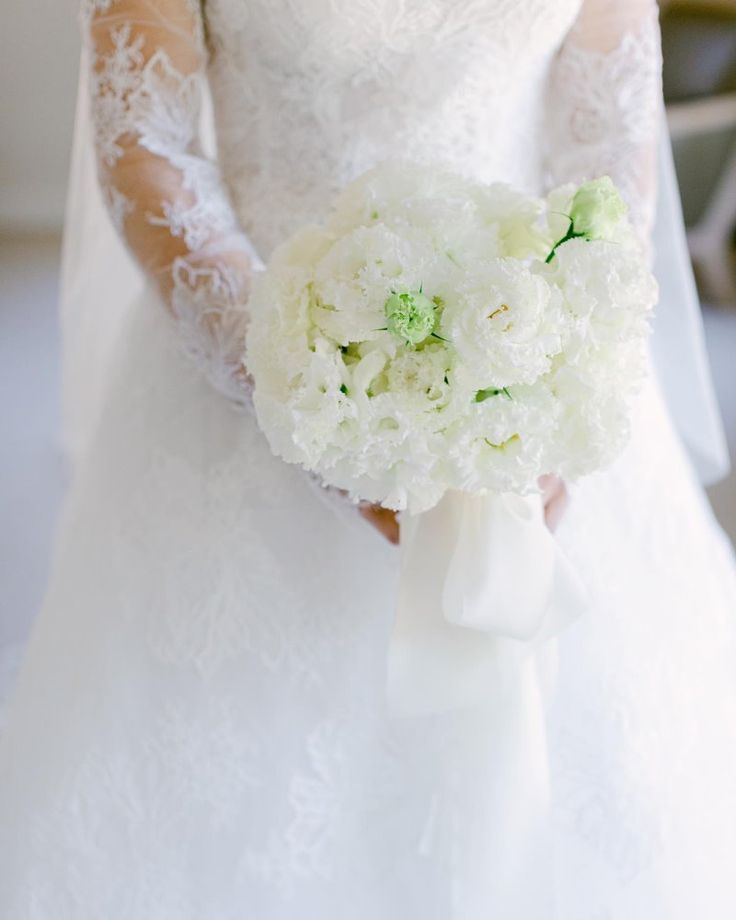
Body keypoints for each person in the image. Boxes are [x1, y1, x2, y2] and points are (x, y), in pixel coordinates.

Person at [2, 0, 736, 916]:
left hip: (531, 364)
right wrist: (300, 385)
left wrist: (563, 369)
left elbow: (608, 134)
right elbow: (145, 141)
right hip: (252, 381)